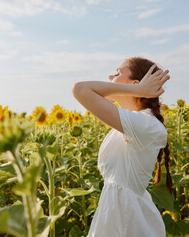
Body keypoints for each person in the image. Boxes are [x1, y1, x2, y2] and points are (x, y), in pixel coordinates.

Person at [71, 57, 172, 237]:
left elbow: (80, 89)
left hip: (127, 221)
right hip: (114, 214)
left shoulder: (146, 125)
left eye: (118, 73)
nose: (110, 76)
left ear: (135, 84)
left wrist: (137, 90)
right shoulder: (130, 123)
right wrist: (137, 89)